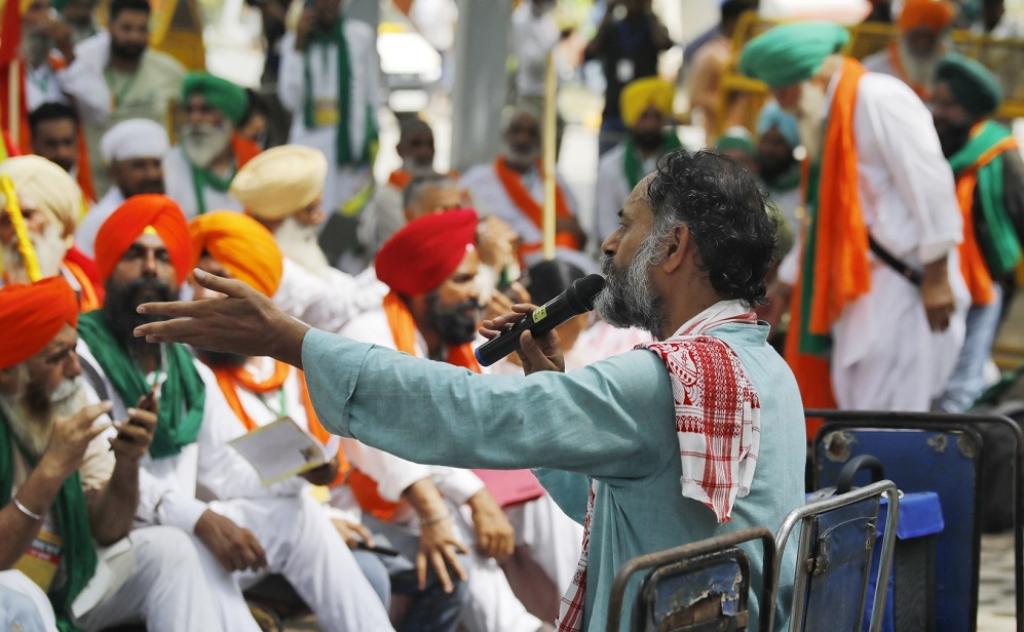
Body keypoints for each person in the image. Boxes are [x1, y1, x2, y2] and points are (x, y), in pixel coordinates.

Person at [135, 150, 807, 631]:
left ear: (673, 249)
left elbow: (476, 411)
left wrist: (295, 342)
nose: (607, 244)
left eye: (627, 226)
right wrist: (546, 382)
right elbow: (621, 505)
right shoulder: (764, 369)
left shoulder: (664, 377)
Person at [79, 195, 396, 631]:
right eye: (135, 254)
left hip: (181, 525)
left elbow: (228, 469)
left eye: (163, 256)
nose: (151, 267)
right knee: (180, 546)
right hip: (108, 548)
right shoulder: (82, 359)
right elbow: (100, 473)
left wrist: (298, 470)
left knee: (297, 517)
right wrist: (200, 517)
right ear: (109, 267)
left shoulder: (187, 371)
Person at [189, 209, 474, 631]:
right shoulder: (191, 372)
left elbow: (327, 461)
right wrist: (318, 521)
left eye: (222, 285)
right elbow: (214, 481)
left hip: (332, 517)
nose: (205, 300)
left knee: (449, 577)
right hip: (241, 528)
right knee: (368, 572)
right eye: (200, 283)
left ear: (258, 295)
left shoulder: (292, 367)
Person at [345, 209, 583, 632]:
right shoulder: (369, 334)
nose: (477, 294)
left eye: (475, 278)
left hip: (462, 480)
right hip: (388, 506)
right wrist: (475, 497)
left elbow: (494, 412)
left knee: (544, 498)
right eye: (462, 281)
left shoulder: (458, 337)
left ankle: (592, 608)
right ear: (423, 290)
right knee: (455, 519)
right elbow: (390, 441)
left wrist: (524, 359)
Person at [739, 21, 968, 417]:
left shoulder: (878, 98)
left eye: (783, 92)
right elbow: (822, 218)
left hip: (906, 289)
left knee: (894, 418)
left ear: (807, 79)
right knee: (860, 411)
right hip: (860, 292)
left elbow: (930, 182)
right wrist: (787, 283)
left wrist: (935, 275)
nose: (785, 105)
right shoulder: (829, 120)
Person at [0, 276, 225, 631]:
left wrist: (127, 463)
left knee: (170, 549)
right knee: (16, 592)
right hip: (10, 591)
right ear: (8, 373)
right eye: (58, 358)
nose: (76, 369)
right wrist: (50, 471)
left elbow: (108, 529)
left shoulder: (69, 404)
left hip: (68, 581)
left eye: (74, 351)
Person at [931, 54, 1024, 412]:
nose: (938, 112)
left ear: (971, 110)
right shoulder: (934, 147)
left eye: (949, 105)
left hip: (981, 284)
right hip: (929, 281)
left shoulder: (999, 154)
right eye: (936, 101)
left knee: (961, 382)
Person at [229, 143, 388, 329]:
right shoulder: (266, 261)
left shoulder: (290, 249)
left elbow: (334, 283)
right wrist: (387, 284)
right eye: (311, 209)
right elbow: (328, 310)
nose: (320, 218)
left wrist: (381, 273)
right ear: (281, 216)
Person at [277, 0, 379, 215]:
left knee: (348, 216)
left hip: (350, 144)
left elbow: (372, 94)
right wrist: (298, 44)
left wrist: (372, 141)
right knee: (310, 210)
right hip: (310, 142)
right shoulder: (294, 41)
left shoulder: (359, 37)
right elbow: (290, 99)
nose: (328, 5)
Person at [75, 0, 186, 193]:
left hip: (151, 186)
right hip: (97, 186)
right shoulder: (87, 69)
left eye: (142, 29)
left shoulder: (168, 71)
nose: (134, 36)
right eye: (126, 28)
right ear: (109, 25)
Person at [460, 106, 584, 263]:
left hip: (558, 261)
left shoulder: (553, 178)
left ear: (539, 140)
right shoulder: (477, 179)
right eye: (516, 131)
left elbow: (578, 231)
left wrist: (558, 225)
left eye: (531, 133)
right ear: (505, 135)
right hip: (501, 265)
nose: (523, 139)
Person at [0, 155, 102, 311]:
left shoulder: (98, 300)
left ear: (62, 224)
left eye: (27, 214)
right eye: (6, 219)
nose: (18, 226)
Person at [595, 77, 681, 242]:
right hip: (624, 249)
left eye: (656, 116)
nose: (650, 123)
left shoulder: (683, 164)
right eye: (644, 116)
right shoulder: (611, 165)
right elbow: (606, 223)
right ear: (632, 119)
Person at [163, 72, 260, 217]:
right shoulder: (168, 164)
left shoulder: (253, 163)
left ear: (229, 119)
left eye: (206, 110)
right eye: (189, 110)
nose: (194, 119)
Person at [584, 0, 673, 154]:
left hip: (643, 114)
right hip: (614, 110)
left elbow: (665, 43)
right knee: (609, 161)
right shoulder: (612, 28)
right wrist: (607, 12)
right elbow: (590, 52)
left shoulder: (650, 28)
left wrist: (650, 12)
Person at [76, 118, 169, 258]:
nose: (151, 174)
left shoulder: (169, 212)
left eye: (156, 165)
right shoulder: (101, 221)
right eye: (140, 166)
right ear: (115, 172)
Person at [358, 117, 441, 256]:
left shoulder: (449, 184)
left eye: (430, 144)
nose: (424, 152)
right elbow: (412, 242)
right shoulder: (388, 194)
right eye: (416, 144)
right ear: (399, 150)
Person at [686, 0, 757, 140]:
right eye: (749, 22)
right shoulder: (710, 54)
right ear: (733, 21)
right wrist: (724, 103)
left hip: (749, 136)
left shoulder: (746, 51)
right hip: (720, 138)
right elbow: (695, 96)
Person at [863, 0, 955, 99]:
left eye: (928, 37)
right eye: (916, 36)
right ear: (904, 35)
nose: (922, 43)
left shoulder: (952, 72)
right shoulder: (874, 69)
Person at [756, 102, 802, 238]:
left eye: (777, 143)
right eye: (765, 141)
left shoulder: (804, 189)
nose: (769, 150)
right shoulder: (751, 185)